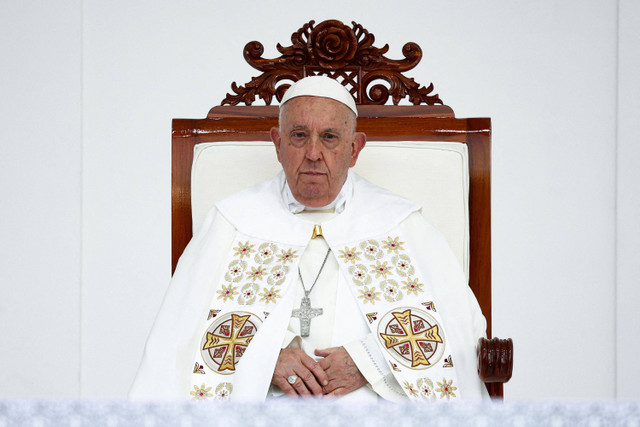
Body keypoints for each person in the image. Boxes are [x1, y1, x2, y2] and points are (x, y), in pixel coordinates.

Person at [130, 76, 488, 402]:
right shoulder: (234, 221)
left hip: (373, 406)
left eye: (329, 137)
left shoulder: (399, 222)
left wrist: (370, 361)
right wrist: (266, 356)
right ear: (278, 142)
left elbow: (458, 327)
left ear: (354, 148)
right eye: (299, 136)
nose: (313, 153)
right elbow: (180, 335)